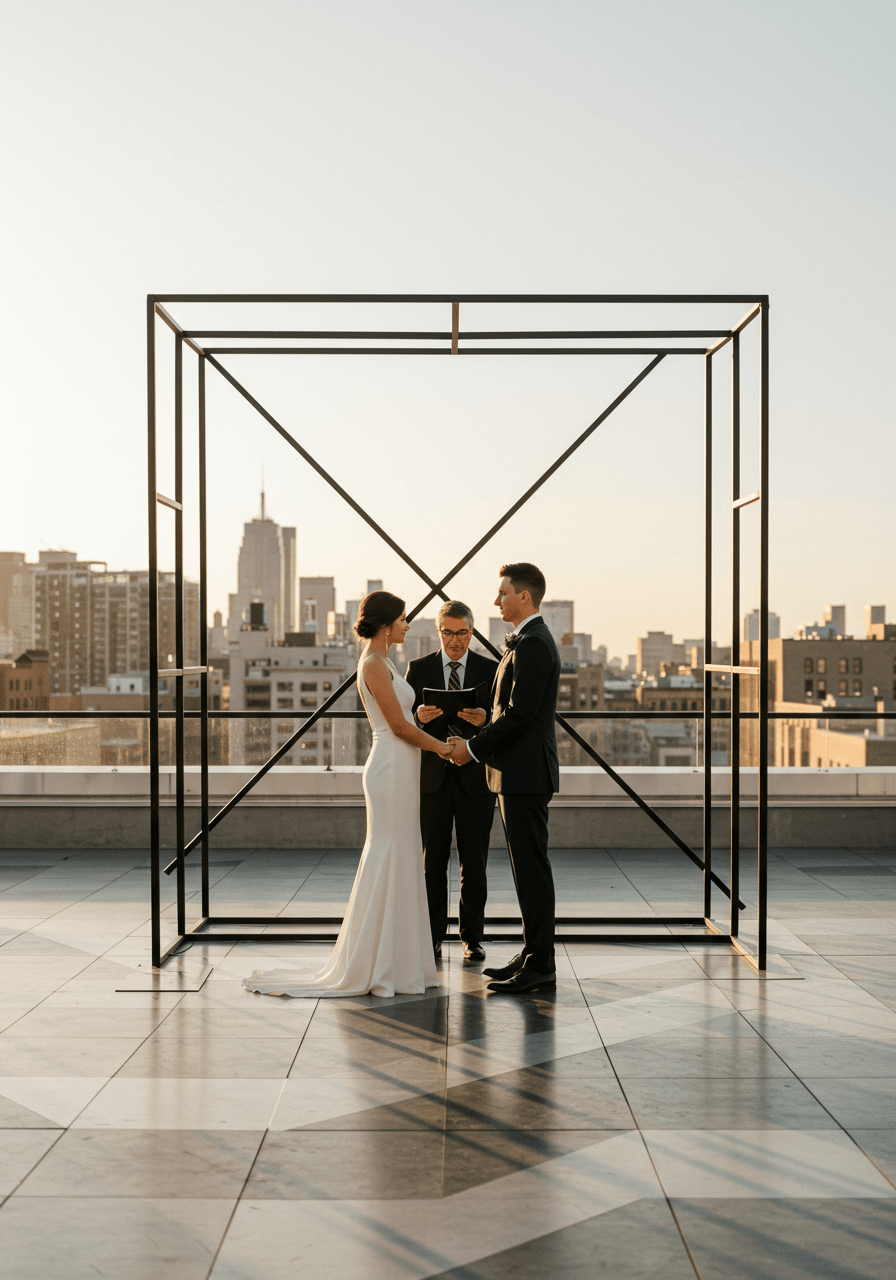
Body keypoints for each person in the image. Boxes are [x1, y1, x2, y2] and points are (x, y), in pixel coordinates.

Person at [243, 590, 454, 998]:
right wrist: (444, 748)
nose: (408, 625)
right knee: (391, 852)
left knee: (402, 852)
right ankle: (382, 962)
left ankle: (398, 959)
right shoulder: (374, 663)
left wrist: (420, 719)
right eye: (403, 619)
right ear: (386, 623)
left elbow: (403, 718)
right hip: (392, 765)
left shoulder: (383, 662)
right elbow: (397, 727)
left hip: (402, 765)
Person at [448, 563, 560, 994]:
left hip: (524, 775)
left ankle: (541, 964)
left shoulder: (532, 644)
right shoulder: (528, 641)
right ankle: (534, 953)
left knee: (531, 870)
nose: (496, 601)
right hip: (516, 773)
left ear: (525, 597)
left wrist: (473, 747)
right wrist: (484, 725)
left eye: (502, 593)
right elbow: (510, 713)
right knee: (525, 869)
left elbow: (520, 717)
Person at [405, 601, 499, 963]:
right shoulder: (419, 668)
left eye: (462, 632)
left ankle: (472, 938)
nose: (455, 640)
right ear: (438, 632)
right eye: (448, 632)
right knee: (433, 863)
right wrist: (417, 716)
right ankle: (431, 938)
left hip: (476, 780)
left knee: (474, 863)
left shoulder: (490, 670)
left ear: (472, 632)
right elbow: (402, 721)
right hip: (433, 780)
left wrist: (485, 719)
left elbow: (504, 722)